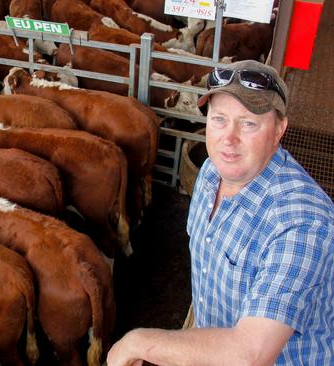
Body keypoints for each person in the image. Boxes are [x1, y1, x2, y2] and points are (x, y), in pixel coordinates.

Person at [107, 59, 333, 365]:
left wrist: (139, 343)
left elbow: (250, 354)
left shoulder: (304, 221)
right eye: (219, 119)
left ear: (280, 129)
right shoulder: (211, 172)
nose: (229, 137)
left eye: (249, 123)